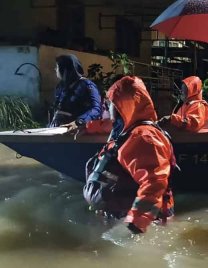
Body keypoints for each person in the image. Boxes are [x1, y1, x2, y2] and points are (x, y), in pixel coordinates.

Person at [83, 76, 175, 234]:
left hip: (138, 225)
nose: (108, 106)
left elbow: (154, 182)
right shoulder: (126, 129)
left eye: (112, 102)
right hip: (119, 216)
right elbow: (108, 125)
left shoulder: (143, 137)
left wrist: (136, 223)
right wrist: (85, 126)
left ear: (122, 105)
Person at [48, 54, 102, 130]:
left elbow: (96, 109)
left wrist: (79, 122)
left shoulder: (86, 85)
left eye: (57, 67)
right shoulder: (60, 87)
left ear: (65, 70)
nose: (55, 69)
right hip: (57, 133)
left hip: (77, 134)